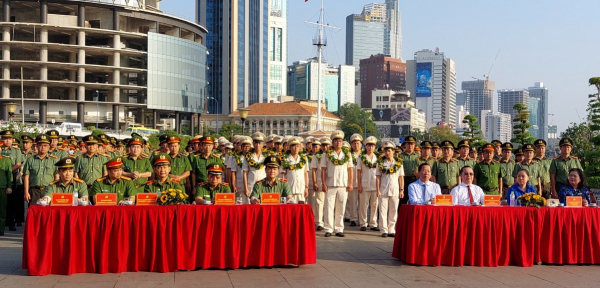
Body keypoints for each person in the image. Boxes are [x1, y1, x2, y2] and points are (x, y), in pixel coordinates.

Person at [321, 130, 354, 237]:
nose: (338, 143)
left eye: (340, 141)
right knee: (329, 207)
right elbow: (323, 170)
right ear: (332, 142)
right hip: (330, 183)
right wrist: (324, 184)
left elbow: (350, 170)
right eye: (335, 141)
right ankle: (328, 229)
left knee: (341, 207)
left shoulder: (347, 154)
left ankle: (339, 228)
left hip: (343, 184)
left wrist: (350, 183)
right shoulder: (326, 154)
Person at [377, 141, 404, 238]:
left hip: (395, 189)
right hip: (383, 189)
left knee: (393, 210)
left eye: (389, 151)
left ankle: (391, 229)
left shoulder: (398, 163)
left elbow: (401, 177)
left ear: (393, 151)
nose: (387, 153)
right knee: (383, 210)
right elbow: (378, 177)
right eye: (385, 151)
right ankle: (383, 229)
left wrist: (401, 190)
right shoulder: (380, 163)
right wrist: (378, 190)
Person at [23, 134, 59, 206]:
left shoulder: (54, 160)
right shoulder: (30, 160)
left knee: (48, 214)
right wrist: (26, 192)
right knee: (34, 213)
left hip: (49, 191)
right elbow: (26, 177)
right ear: (37, 146)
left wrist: (56, 192)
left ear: (49, 146)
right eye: (40, 145)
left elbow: (56, 177)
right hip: (34, 191)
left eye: (45, 145)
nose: (43, 147)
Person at [0, 130, 22, 232]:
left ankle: (11, 222)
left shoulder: (16, 150)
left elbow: (18, 164)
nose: (7, 141)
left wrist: (8, 170)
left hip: (11, 177)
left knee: (12, 201)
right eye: (5, 138)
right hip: (1, 178)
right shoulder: (0, 150)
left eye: (9, 138)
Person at [356, 136, 379, 232]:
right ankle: (363, 223)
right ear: (365, 146)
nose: (370, 148)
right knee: (363, 205)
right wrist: (359, 185)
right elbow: (358, 172)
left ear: (374, 147)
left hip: (375, 184)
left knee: (374, 205)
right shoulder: (361, 158)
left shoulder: (378, 158)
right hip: (365, 184)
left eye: (372, 146)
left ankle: (373, 223)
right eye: (368, 146)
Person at [281, 137, 309, 203]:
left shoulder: (304, 158)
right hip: (290, 189)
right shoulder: (285, 159)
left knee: (301, 209)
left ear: (300, 147)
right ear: (289, 147)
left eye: (297, 146)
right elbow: (283, 175)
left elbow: (306, 173)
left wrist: (306, 188)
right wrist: (283, 189)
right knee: (290, 209)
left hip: (301, 188)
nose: (296, 148)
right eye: (293, 146)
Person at [310, 137, 329, 231]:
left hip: (331, 182)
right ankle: (319, 222)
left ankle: (328, 223)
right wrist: (314, 182)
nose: (325, 147)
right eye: (323, 145)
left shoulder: (332, 155)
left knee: (329, 204)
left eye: (327, 145)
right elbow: (313, 170)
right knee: (319, 203)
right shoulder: (316, 156)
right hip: (320, 182)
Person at [243, 133, 267, 201]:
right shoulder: (248, 155)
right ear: (253, 143)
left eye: (259, 143)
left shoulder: (266, 155)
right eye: (256, 143)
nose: (258, 145)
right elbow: (245, 172)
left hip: (264, 185)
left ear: (263, 144)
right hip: (251, 184)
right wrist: (245, 188)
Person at [345, 133, 362, 226]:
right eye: (354, 143)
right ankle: (353, 219)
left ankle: (361, 219)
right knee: (352, 201)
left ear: (361, 144)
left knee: (362, 203)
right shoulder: (349, 155)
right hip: (352, 180)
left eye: (358, 143)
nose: (356, 145)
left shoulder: (364, 154)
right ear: (351, 145)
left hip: (363, 181)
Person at [231, 136, 252, 204]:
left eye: (248, 146)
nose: (246, 148)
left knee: (249, 202)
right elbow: (233, 172)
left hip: (250, 183)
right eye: (244, 146)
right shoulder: (236, 157)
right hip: (239, 183)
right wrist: (233, 185)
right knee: (240, 203)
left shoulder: (252, 157)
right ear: (241, 147)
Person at [398, 136, 419, 204]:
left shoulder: (418, 156)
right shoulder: (400, 156)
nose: (410, 146)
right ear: (405, 145)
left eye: (411, 144)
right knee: (403, 199)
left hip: (415, 180)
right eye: (408, 144)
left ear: (414, 145)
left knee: (415, 198)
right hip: (404, 180)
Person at [0, 152, 12, 236]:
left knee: (2, 209)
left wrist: (9, 186)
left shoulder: (5, 160)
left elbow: (9, 174)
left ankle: (1, 229)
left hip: (2, 187)